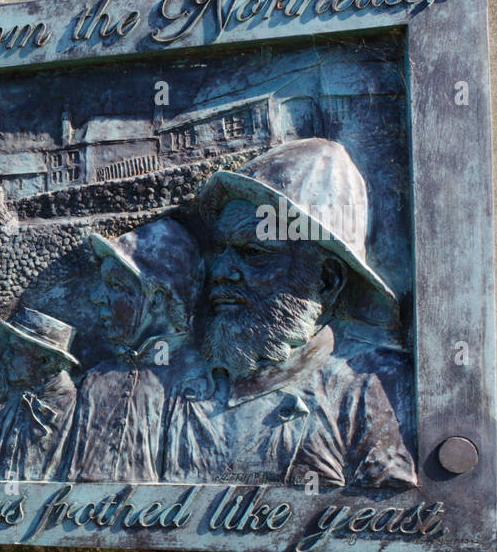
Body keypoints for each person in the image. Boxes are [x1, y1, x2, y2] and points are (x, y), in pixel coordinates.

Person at [162, 138, 416, 489]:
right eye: (221, 250)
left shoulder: (371, 391)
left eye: (252, 252)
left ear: (326, 281)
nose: (221, 270)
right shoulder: (177, 386)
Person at [58, 218, 206, 482]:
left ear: (158, 299)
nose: (98, 297)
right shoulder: (95, 381)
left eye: (116, 286)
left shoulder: (198, 384)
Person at [0, 307, 78, 482]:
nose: (5, 356)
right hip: (1, 503)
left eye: (15, 349)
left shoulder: (79, 409)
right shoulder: (16, 404)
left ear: (45, 361)